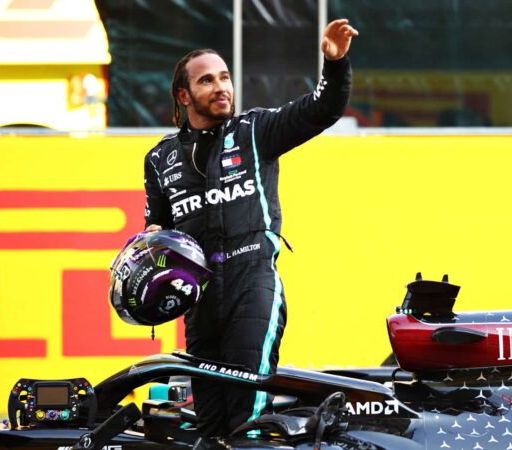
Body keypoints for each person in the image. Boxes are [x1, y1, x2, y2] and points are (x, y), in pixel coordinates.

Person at [142, 19, 358, 439]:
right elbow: (158, 231)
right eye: (207, 80)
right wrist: (149, 245)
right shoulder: (159, 158)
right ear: (184, 96)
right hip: (200, 302)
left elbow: (324, 108)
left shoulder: (256, 131)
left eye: (225, 77)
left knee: (246, 421)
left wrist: (335, 64)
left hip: (252, 284)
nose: (221, 87)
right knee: (208, 427)